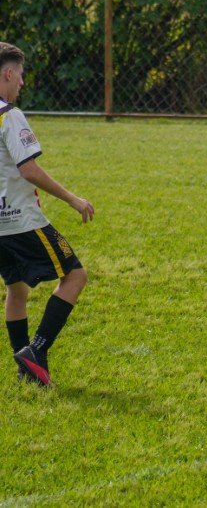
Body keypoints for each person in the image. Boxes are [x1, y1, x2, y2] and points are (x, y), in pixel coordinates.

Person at [0, 43, 95, 386]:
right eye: (20, 75)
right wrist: (72, 199)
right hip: (20, 220)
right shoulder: (9, 115)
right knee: (75, 275)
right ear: (8, 73)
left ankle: (24, 369)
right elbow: (29, 170)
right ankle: (36, 352)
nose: (22, 83)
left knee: (17, 288)